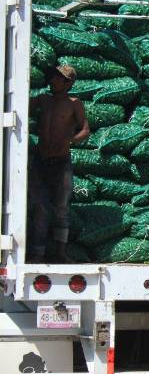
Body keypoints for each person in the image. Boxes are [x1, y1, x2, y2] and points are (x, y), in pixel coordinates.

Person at [27, 65, 89, 263]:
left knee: (61, 207)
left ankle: (60, 252)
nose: (53, 80)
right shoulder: (43, 100)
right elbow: (19, 107)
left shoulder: (74, 103)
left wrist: (71, 140)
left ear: (68, 83)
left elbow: (85, 129)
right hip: (40, 161)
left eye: (58, 78)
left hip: (61, 161)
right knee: (41, 207)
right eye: (53, 76)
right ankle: (38, 252)